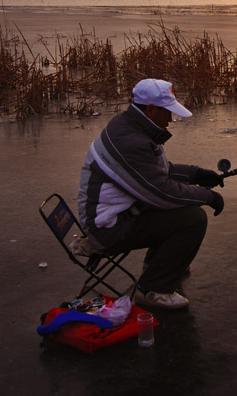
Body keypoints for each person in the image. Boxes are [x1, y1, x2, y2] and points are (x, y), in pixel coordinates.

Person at [77, 78, 225, 309]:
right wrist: (207, 196)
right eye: (167, 113)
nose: (170, 119)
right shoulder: (131, 142)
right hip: (108, 228)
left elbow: (157, 174)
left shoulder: (130, 127)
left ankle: (160, 266)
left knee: (177, 208)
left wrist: (197, 175)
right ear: (151, 109)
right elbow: (161, 193)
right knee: (192, 218)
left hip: (117, 216)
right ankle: (154, 288)